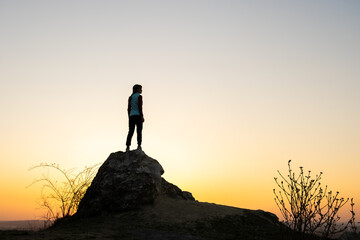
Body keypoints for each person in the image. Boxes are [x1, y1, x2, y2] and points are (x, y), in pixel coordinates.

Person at [126, 84, 144, 151]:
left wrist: (129, 116)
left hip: (131, 116)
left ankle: (127, 146)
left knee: (130, 131)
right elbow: (140, 107)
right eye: (140, 88)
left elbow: (128, 108)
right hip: (138, 115)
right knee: (139, 131)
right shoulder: (139, 97)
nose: (141, 90)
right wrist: (142, 116)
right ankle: (139, 146)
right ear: (137, 89)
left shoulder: (130, 97)